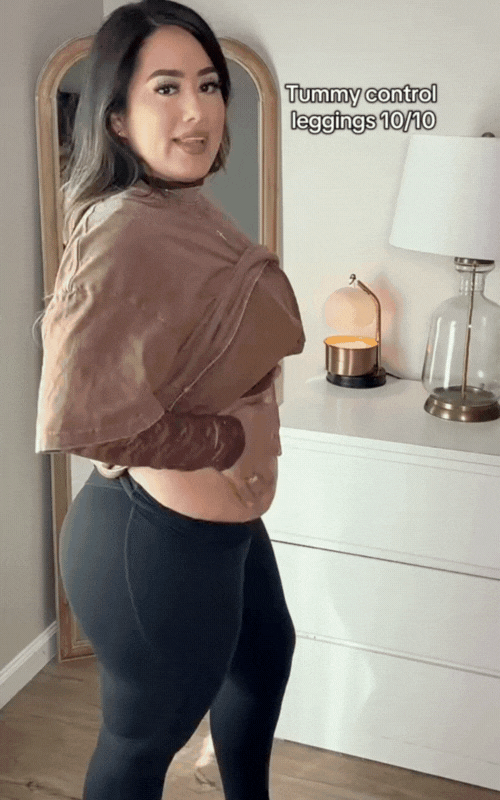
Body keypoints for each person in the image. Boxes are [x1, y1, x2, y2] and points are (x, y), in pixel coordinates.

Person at [35, 1, 305, 798]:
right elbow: (81, 419)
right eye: (166, 87)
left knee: (263, 661)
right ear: (117, 117)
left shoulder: (178, 203)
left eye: (209, 85)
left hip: (222, 532)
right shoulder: (123, 227)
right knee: (143, 741)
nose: (198, 110)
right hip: (151, 544)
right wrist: (226, 442)